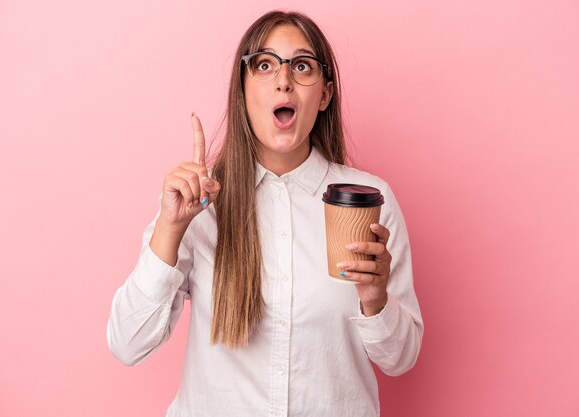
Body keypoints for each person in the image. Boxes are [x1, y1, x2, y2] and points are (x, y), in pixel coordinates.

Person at [107, 10, 423, 417]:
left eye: (302, 66)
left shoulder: (371, 199)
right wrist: (170, 227)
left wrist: (376, 299)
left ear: (324, 95)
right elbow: (127, 343)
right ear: (243, 89)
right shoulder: (200, 203)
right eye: (264, 64)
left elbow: (400, 358)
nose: (283, 80)